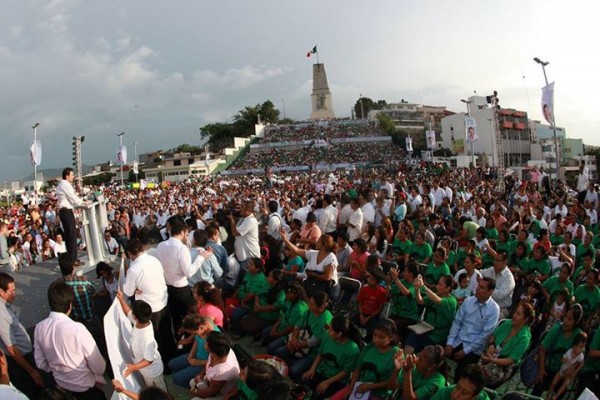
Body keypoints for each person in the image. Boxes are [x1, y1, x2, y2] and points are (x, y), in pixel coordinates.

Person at [34, 282, 106, 400]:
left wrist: (57, 369)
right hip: (86, 390)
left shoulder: (39, 328)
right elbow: (99, 367)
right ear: (70, 304)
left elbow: (40, 363)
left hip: (62, 389)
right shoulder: (77, 329)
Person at [123, 238, 176, 367]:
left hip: (150, 308)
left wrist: (134, 288)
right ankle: (173, 358)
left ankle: (165, 366)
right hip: (162, 301)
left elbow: (128, 292)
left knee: (156, 339)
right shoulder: (154, 260)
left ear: (130, 253)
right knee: (167, 333)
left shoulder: (134, 269)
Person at [154, 219, 211, 330]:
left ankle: (179, 341)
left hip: (167, 288)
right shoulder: (181, 248)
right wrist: (201, 257)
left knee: (175, 319)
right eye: (186, 234)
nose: (187, 237)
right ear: (181, 233)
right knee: (190, 319)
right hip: (181, 290)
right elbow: (189, 272)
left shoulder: (160, 245)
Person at [0, 273, 49, 399]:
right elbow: (11, 348)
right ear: (1, 291)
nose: (14, 294)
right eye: (12, 291)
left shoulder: (5, 306)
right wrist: (32, 372)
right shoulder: (1, 314)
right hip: (20, 363)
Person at [331, 319, 400, 400]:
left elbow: (393, 384)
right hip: (359, 387)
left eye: (381, 337)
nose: (376, 340)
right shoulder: (369, 347)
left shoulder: (396, 354)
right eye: (375, 335)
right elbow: (358, 368)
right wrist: (352, 386)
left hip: (378, 393)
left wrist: (371, 386)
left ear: (391, 337)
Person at [445, 277, 500, 379]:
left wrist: (465, 351)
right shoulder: (468, 301)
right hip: (457, 341)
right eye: (478, 285)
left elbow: (484, 336)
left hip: (473, 349)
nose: (477, 289)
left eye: (482, 287)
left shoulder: (494, 310)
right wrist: (450, 342)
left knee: (461, 373)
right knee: (436, 356)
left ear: (490, 292)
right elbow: (457, 322)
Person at [300, 314, 360, 400]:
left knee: (316, 395)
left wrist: (327, 382)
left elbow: (346, 372)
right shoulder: (327, 335)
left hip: (336, 379)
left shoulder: (352, 349)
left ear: (339, 334)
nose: (328, 330)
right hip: (322, 370)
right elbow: (320, 353)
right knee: (302, 384)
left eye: (331, 329)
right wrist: (312, 369)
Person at [115, 292, 166, 391]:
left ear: (135, 317)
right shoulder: (141, 322)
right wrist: (121, 300)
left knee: (160, 393)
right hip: (145, 371)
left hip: (152, 373)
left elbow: (148, 360)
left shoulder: (147, 338)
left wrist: (133, 367)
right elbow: (128, 312)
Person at [532, 304, 585, 397]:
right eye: (565, 317)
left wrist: (570, 370)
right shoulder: (556, 329)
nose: (565, 321)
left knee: (561, 392)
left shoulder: (578, 334)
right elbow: (542, 349)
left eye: (570, 319)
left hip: (563, 371)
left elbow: (580, 356)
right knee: (538, 386)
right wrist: (541, 369)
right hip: (547, 367)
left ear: (576, 322)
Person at [478, 302, 533, 388]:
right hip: (492, 354)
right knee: (473, 371)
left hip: (504, 365)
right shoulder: (507, 323)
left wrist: (492, 360)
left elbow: (510, 360)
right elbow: (494, 335)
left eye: (518, 314)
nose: (514, 315)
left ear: (525, 319)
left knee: (482, 377)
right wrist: (491, 345)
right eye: (515, 312)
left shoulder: (524, 338)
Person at [168, 315, 218, 388]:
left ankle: (197, 385)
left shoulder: (215, 339)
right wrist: (191, 354)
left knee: (177, 379)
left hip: (204, 364)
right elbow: (196, 340)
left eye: (192, 333)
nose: (192, 335)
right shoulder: (202, 323)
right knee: (171, 364)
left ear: (200, 328)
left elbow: (217, 361)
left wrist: (198, 362)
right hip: (196, 357)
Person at [190, 331, 240, 399]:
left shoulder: (222, 370)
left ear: (212, 348)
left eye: (206, 342)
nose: (204, 342)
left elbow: (212, 392)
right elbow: (209, 362)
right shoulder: (221, 350)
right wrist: (201, 374)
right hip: (211, 381)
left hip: (221, 393)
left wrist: (195, 391)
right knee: (192, 382)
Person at [56, 168, 88, 264]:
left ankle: (72, 258)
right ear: (67, 176)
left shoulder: (62, 184)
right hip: (66, 211)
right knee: (71, 235)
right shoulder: (65, 184)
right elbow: (72, 196)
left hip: (65, 211)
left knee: (70, 235)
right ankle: (72, 260)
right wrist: (82, 202)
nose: (73, 177)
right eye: (72, 175)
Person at [546, 332, 587, 400]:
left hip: (568, 375)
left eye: (583, 347)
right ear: (574, 347)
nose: (582, 349)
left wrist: (575, 371)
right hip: (561, 371)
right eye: (580, 347)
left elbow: (582, 363)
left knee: (566, 384)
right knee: (553, 383)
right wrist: (565, 360)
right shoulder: (569, 352)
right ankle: (547, 396)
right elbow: (563, 359)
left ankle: (555, 396)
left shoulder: (581, 356)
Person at [229, 200, 261, 276]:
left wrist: (231, 219)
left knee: (247, 278)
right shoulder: (244, 219)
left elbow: (235, 233)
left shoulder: (251, 221)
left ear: (247, 210)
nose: (240, 209)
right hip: (243, 255)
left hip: (248, 256)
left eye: (242, 207)